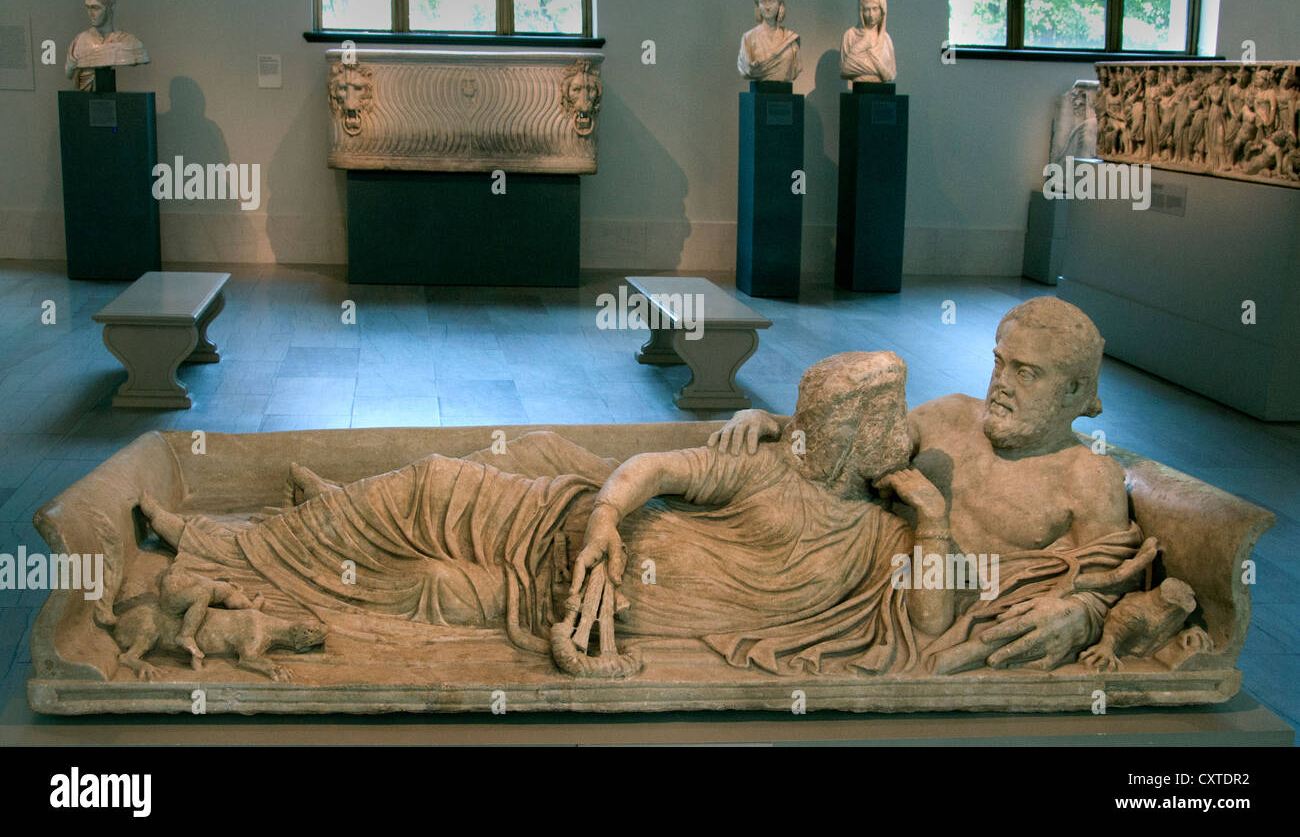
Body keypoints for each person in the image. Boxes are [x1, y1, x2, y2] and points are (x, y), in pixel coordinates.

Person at [138, 351, 929, 678]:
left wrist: (937, 520)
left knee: (427, 589)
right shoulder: (764, 471)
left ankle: (266, 554)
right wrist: (607, 520)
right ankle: (228, 540)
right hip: (564, 530)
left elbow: (929, 620)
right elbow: (653, 466)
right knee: (431, 484)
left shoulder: (886, 533)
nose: (898, 434)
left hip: (574, 610)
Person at [710, 297, 1151, 674]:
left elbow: (1107, 584)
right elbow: (853, 438)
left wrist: (1081, 615)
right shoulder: (951, 416)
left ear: (1075, 391)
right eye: (1000, 363)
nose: (1001, 384)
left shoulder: (1088, 477)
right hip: (843, 563)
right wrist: (773, 422)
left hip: (916, 617)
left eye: (1026, 373)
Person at [64, 0, 149, 92]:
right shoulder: (79, 42)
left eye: (96, 8)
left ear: (111, 8)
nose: (91, 14)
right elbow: (69, 72)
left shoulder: (129, 42)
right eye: (88, 8)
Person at [737, 0, 801, 82]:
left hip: (783, 94)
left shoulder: (790, 40)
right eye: (763, 1)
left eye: (771, 1)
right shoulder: (748, 38)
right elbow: (745, 68)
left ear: (780, 5)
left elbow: (795, 67)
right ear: (758, 6)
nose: (767, 7)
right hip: (759, 92)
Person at [839, 0, 896, 84]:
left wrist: (858, 63)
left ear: (882, 10)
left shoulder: (886, 39)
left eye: (875, 9)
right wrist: (880, 70)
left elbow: (890, 73)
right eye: (866, 10)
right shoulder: (850, 36)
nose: (871, 15)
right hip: (860, 88)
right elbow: (845, 69)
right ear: (861, 11)